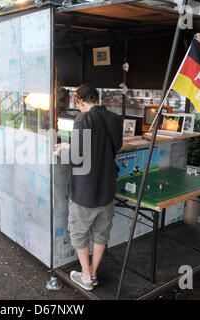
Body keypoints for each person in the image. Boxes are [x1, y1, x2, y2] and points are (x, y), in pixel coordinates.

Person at [58, 83, 123, 291]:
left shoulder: (83, 120)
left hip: (85, 191)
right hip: (106, 188)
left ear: (79, 101)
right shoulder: (114, 119)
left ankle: (86, 276)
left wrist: (61, 151)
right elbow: (115, 146)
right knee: (101, 234)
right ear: (97, 98)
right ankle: (93, 272)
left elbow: (77, 157)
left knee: (79, 232)